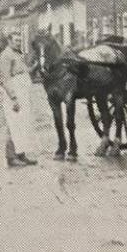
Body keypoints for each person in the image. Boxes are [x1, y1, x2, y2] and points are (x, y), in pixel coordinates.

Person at [32, 32, 82, 161]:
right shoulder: (45, 66)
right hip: (50, 73)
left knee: (69, 116)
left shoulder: (66, 66)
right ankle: (61, 145)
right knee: (56, 116)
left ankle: (73, 146)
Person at [0, 34, 38, 166]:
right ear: (9, 41)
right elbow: (5, 78)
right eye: (16, 40)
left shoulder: (18, 54)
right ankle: (11, 157)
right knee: (13, 123)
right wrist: (13, 98)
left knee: (22, 123)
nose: (19, 43)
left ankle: (21, 154)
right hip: (14, 92)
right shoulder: (5, 55)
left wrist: (35, 66)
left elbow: (23, 71)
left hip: (23, 91)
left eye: (20, 40)